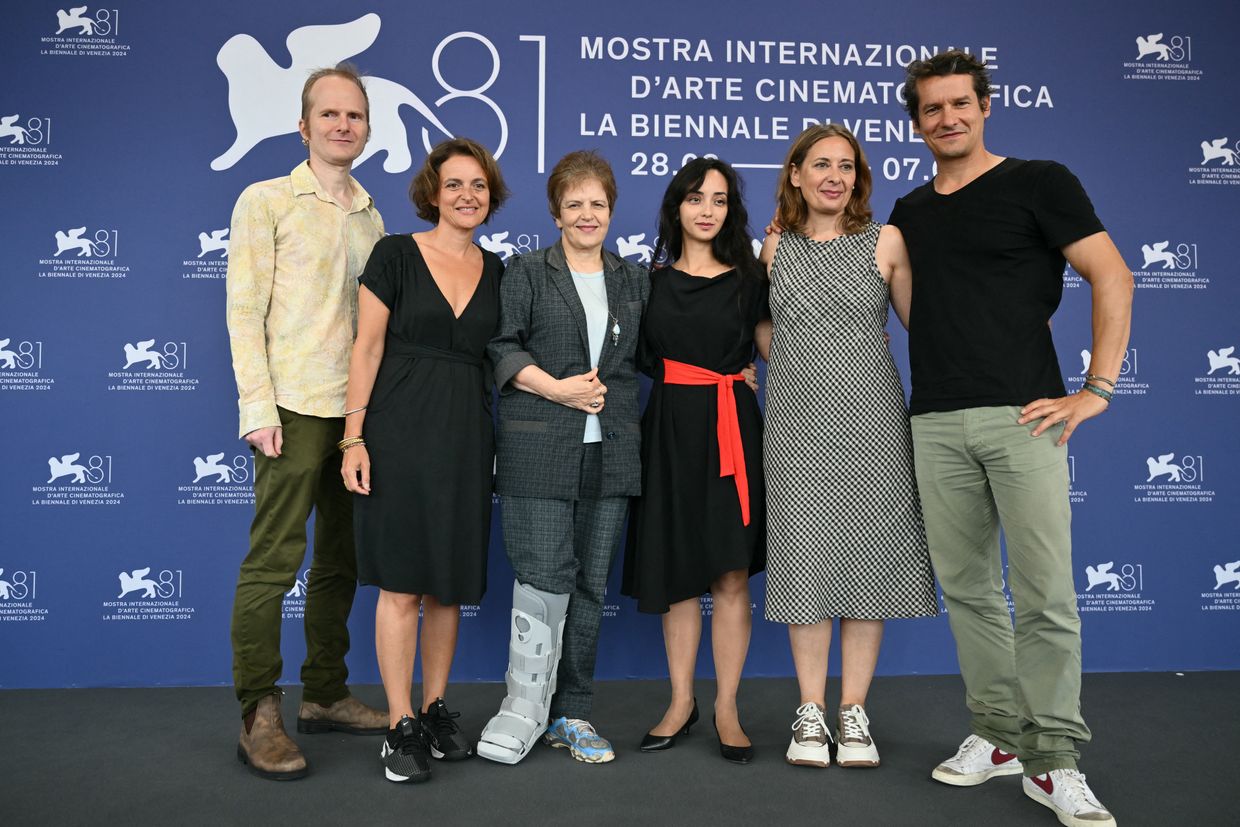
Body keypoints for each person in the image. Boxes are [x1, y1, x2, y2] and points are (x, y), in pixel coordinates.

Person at [889, 51, 1132, 827]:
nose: (947, 117)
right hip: (932, 420)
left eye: (960, 103)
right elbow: (909, 307)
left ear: (986, 106)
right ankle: (997, 735)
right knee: (968, 592)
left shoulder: (1040, 182)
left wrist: (1096, 390)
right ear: (917, 121)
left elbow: (1113, 274)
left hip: (1026, 418)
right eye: (932, 108)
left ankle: (1054, 757)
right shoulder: (908, 210)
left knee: (1045, 597)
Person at [759, 124, 938, 770]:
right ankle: (810, 711)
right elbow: (762, 320)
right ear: (797, 175)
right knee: (806, 559)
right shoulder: (773, 246)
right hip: (797, 421)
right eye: (820, 164)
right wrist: (796, 362)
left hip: (874, 423)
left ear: (858, 177)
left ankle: (853, 711)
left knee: (868, 562)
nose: (834, 175)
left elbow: (927, 320)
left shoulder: (885, 240)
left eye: (846, 165)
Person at [226, 64, 387, 781]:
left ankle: (324, 691)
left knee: (341, 562)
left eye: (354, 115)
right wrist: (257, 407)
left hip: (354, 416)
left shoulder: (372, 214)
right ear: (303, 125)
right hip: (290, 408)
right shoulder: (265, 200)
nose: (342, 125)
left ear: (366, 127)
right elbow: (242, 311)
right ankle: (259, 709)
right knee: (274, 563)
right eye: (330, 115)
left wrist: (366, 419)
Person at [341, 138, 508, 783]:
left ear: (490, 197)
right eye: (455, 183)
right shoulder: (396, 255)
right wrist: (353, 439)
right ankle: (399, 724)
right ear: (433, 192)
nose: (468, 195)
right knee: (403, 583)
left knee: (448, 585)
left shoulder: (499, 271)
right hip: (399, 430)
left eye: (480, 185)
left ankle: (437, 709)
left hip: (468, 435)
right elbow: (366, 349)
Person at [477, 150, 649, 765]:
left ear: (611, 210)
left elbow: (660, 349)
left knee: (588, 585)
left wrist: (733, 367)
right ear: (555, 212)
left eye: (597, 204)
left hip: (613, 454)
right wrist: (560, 389)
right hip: (537, 448)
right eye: (573, 203)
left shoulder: (633, 279)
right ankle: (523, 708)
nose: (586, 214)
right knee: (544, 575)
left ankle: (571, 713)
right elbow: (501, 347)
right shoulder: (524, 272)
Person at [622, 157, 767, 764]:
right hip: (670, 430)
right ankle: (680, 702)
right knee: (680, 575)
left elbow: (776, 349)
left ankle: (727, 706)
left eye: (720, 199)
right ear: (675, 208)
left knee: (731, 574)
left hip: (733, 423)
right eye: (695, 198)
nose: (708, 210)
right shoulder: (646, 282)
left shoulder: (751, 277)